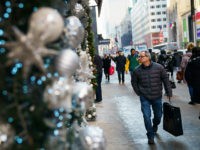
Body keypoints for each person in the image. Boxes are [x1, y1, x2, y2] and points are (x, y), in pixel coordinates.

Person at [131, 51, 172, 144]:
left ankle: (155, 125)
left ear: (148, 58)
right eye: (139, 57)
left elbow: (165, 80)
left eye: (141, 56)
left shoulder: (159, 67)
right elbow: (134, 82)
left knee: (158, 116)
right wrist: (139, 92)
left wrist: (169, 92)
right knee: (146, 116)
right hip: (144, 97)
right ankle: (150, 135)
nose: (139, 58)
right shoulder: (137, 70)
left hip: (157, 96)